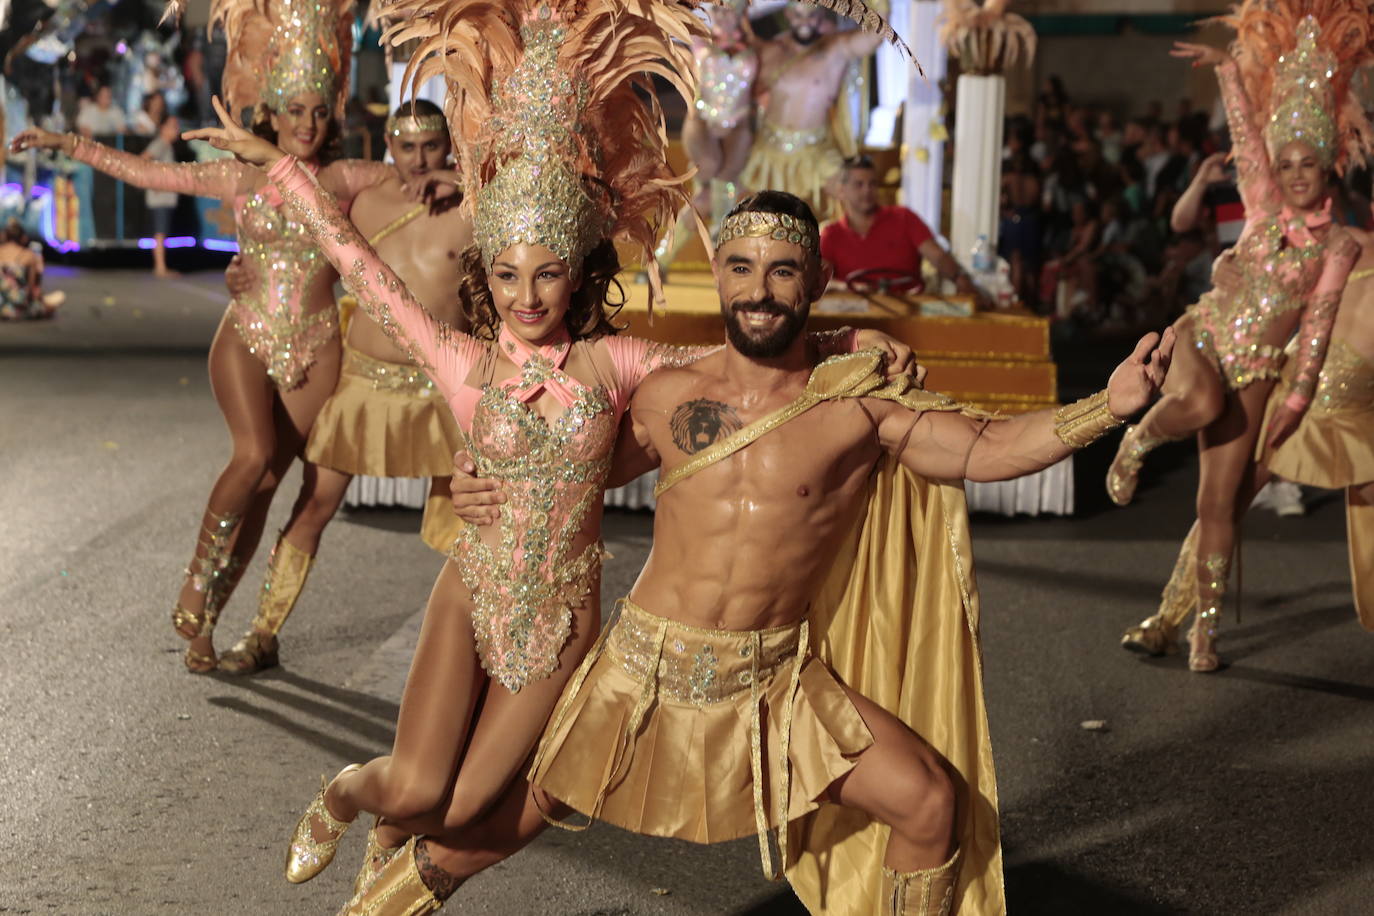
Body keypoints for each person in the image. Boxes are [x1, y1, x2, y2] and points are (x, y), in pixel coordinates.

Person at [183, 0, 912, 908]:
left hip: (564, 615)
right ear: (483, 279)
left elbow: (738, 355)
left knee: (471, 803)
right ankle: (348, 793)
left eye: (548, 272)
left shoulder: (622, 362)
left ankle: (407, 854)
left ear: (578, 269)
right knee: (413, 788)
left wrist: (845, 344)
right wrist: (288, 181)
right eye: (506, 274)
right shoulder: (462, 361)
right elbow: (360, 265)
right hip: (469, 585)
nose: (528, 295)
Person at [428, 190, 1174, 916]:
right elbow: (560, 479)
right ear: (718, 273)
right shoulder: (665, 394)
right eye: (743, 268)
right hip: (640, 677)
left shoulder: (859, 406)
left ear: (816, 280)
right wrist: (472, 487)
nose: (760, 289)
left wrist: (1107, 405)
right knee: (478, 840)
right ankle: (380, 898)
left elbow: (986, 448)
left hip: (772, 684)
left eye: (783, 270)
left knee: (928, 802)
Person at [11, 0, 391, 673]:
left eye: (319, 111)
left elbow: (416, 183)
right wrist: (67, 143)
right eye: (294, 109)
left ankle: (208, 622)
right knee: (251, 456)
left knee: (270, 482)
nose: (306, 123)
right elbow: (151, 173)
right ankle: (195, 580)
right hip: (245, 331)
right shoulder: (238, 174)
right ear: (269, 113)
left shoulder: (344, 181)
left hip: (315, 347)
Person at [1104, 5, 1368, 672]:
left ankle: (1202, 633)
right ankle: (1137, 448)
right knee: (1196, 410)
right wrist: (1226, 68)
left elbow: (1316, 326)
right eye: (1287, 164)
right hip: (1210, 338)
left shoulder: (1341, 244)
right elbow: (1247, 139)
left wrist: (1297, 402)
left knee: (1220, 501)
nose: (1296, 173)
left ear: (1331, 169)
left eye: (1310, 163)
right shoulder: (1262, 201)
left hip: (1271, 377)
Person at [213, 100, 473, 675]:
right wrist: (241, 269)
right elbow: (303, 255)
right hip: (363, 380)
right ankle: (261, 633)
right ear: (388, 146)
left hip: (443, 388)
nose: (420, 159)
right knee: (314, 505)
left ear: (448, 146)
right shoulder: (365, 203)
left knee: (470, 525)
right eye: (407, 147)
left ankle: (473, 656)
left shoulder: (475, 204)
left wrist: (468, 181)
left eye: (432, 146)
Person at [1124, 227, 1374, 655]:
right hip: (1294, 394)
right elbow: (1264, 255)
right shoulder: (1343, 238)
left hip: (1360, 411)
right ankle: (1169, 618)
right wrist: (1226, 262)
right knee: (1226, 504)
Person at [739, 2, 903, 217]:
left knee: (853, 202)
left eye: (812, 15)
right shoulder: (772, 50)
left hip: (816, 152)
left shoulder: (834, 49)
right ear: (788, 14)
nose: (805, 23)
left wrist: (881, 5)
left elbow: (876, 35)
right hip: (767, 152)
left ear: (821, 14)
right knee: (742, 211)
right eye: (798, 15)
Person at [822, 155, 990, 305]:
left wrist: (961, 279)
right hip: (855, 314)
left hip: (906, 308)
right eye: (859, 184)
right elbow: (819, 281)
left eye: (872, 184)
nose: (867, 190)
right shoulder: (831, 234)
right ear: (841, 191)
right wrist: (851, 287)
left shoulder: (904, 218)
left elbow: (937, 256)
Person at [142, 113, 180, 278]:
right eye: (172, 126)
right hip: (160, 198)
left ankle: (161, 266)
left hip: (165, 197)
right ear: (163, 128)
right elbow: (144, 159)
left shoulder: (166, 146)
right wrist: (153, 182)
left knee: (161, 232)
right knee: (159, 233)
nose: (176, 131)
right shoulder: (160, 144)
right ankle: (160, 267)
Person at [0, 218, 58, 320]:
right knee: (57, 299)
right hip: (18, 307)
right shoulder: (28, 255)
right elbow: (31, 286)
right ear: (23, 238)